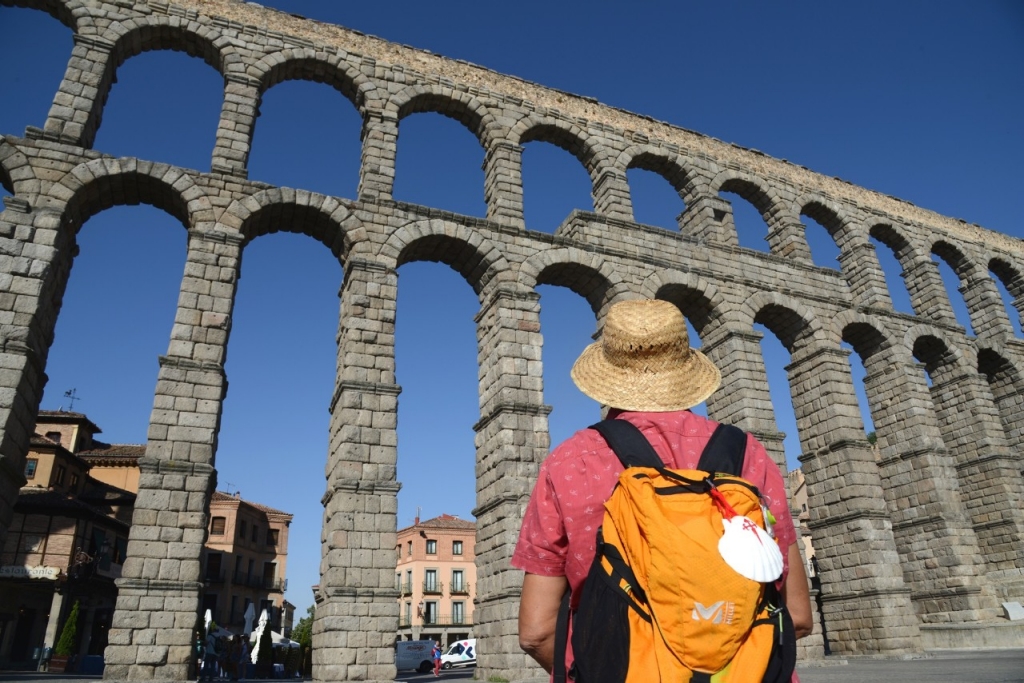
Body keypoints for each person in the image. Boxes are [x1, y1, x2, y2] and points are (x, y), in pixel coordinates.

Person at [512, 298, 813, 676]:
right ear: (686, 371)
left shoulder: (571, 462)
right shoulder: (748, 454)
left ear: (606, 376)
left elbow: (536, 633)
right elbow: (798, 617)